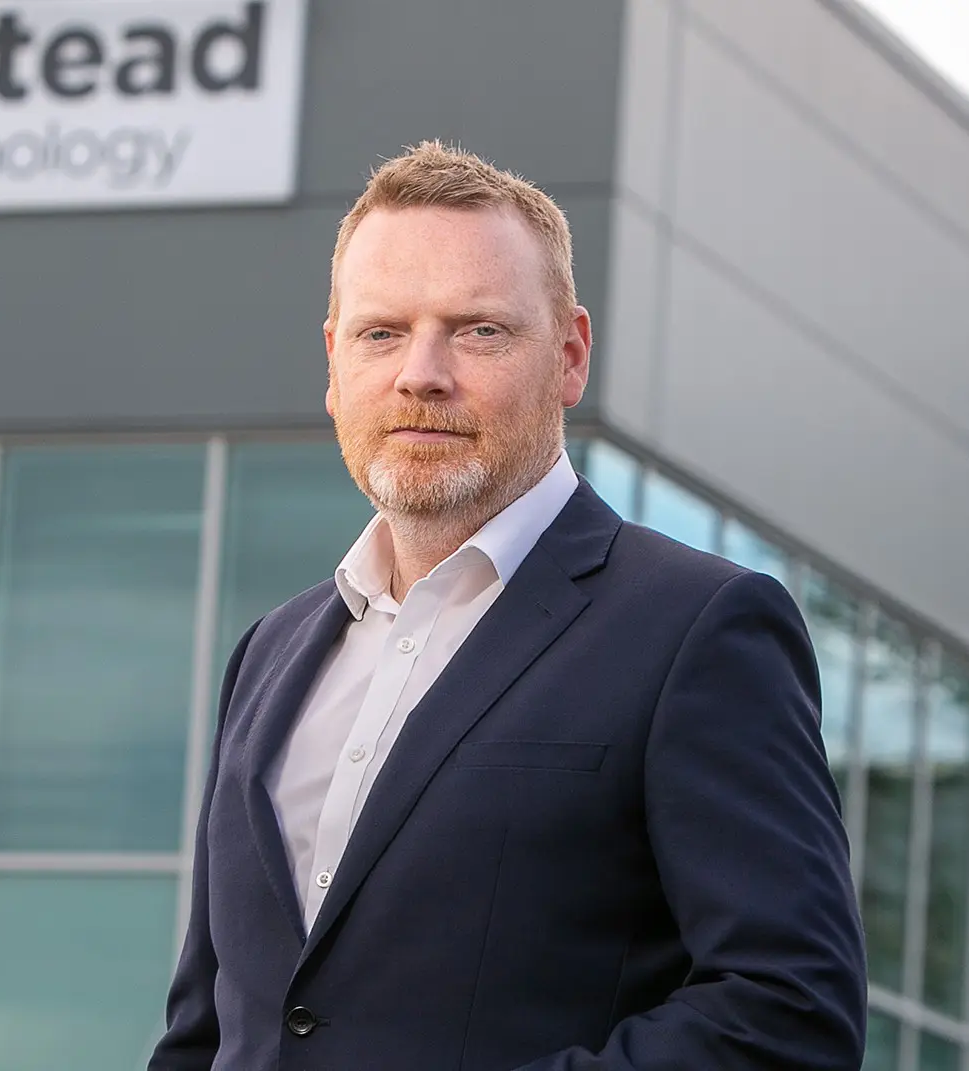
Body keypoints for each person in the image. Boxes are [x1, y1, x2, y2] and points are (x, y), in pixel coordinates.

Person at [148, 142, 866, 1070]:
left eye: (478, 330)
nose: (420, 373)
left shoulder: (697, 627)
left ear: (568, 356)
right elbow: (206, 1031)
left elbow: (787, 1011)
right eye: (380, 333)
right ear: (332, 363)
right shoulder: (270, 651)